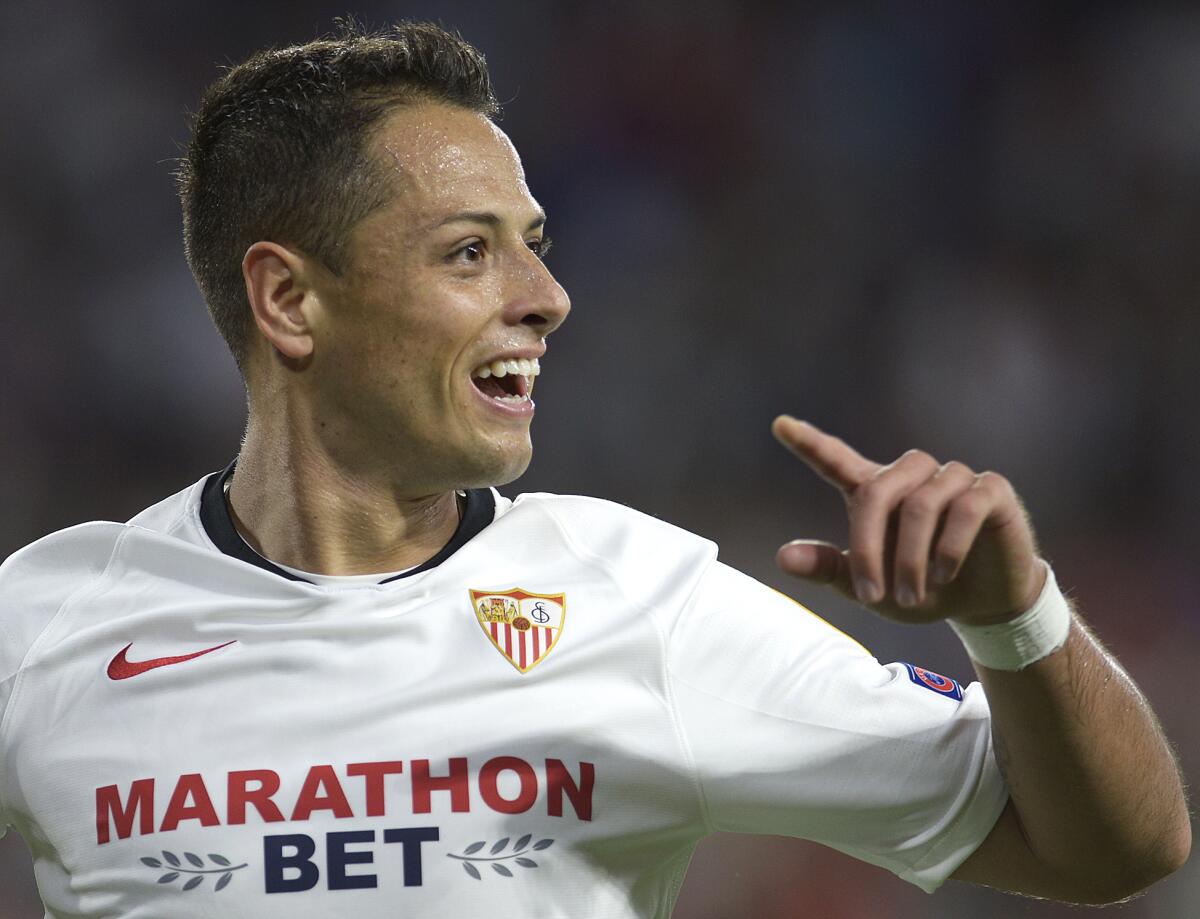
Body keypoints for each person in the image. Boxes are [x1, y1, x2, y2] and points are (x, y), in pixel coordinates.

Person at [0, 21, 1188, 919]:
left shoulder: (642, 603)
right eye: (471, 252)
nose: (546, 299)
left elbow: (1115, 848)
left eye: (538, 249)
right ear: (291, 298)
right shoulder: (45, 625)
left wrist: (1016, 619)